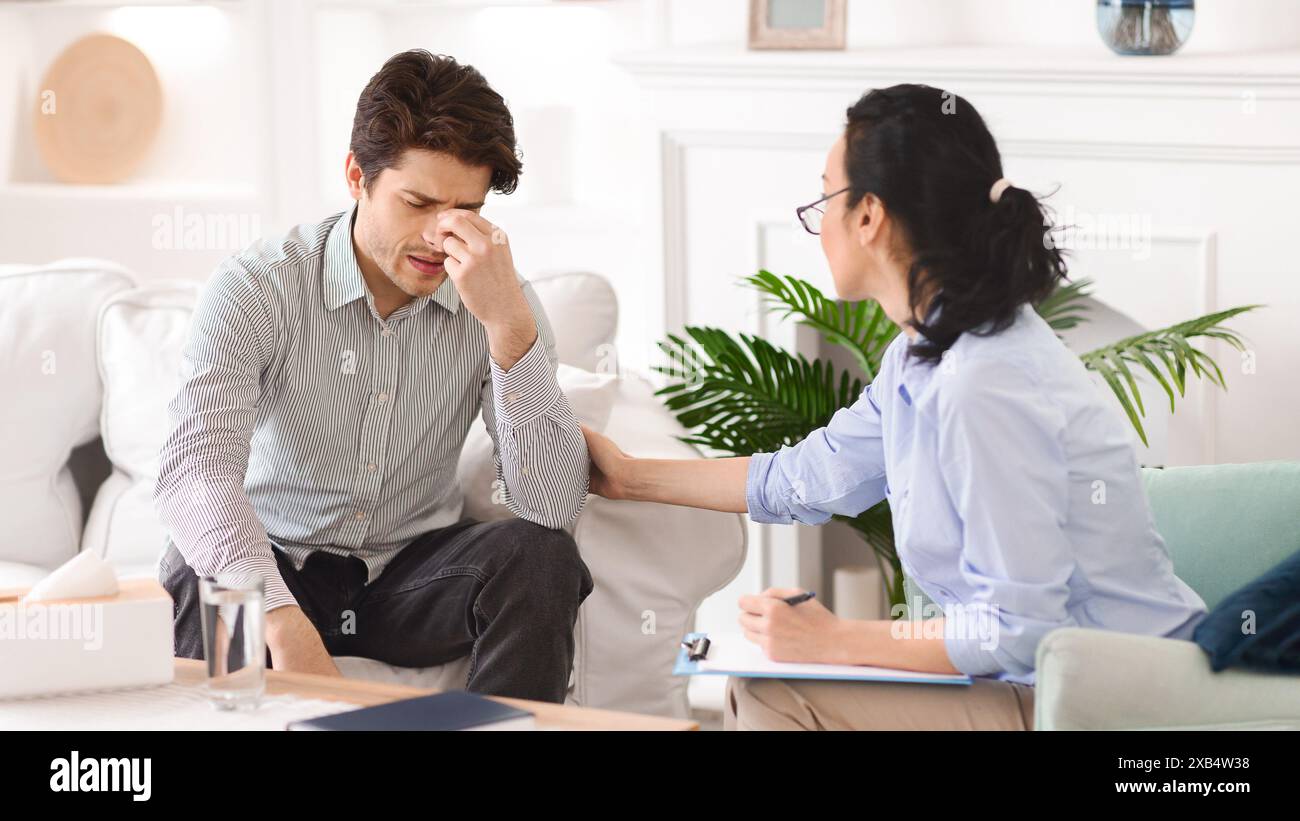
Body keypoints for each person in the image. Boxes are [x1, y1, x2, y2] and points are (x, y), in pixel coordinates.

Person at [582, 84, 1208, 730]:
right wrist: (626, 475)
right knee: (761, 684)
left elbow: (1019, 629)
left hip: (1110, 701)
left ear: (868, 216)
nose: (818, 224)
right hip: (1037, 680)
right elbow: (805, 474)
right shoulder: (923, 355)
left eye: (825, 197)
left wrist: (832, 640)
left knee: (776, 693)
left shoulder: (981, 382)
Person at [154, 50, 591, 703]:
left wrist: (509, 332)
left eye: (464, 211)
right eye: (417, 202)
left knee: (541, 557)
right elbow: (195, 476)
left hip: (407, 579)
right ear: (357, 175)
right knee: (201, 569)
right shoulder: (257, 287)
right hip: (276, 561)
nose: (439, 237)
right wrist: (283, 620)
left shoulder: (502, 302)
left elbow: (551, 507)